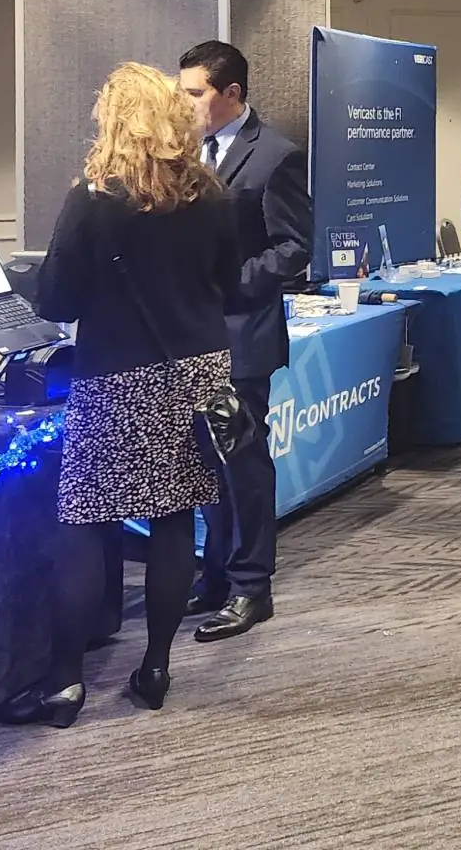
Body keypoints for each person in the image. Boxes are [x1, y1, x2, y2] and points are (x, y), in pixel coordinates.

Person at [0, 63, 238, 729]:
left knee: (84, 521)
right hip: (196, 373)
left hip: (117, 377)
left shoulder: (95, 197)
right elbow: (231, 285)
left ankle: (64, 684)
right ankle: (155, 668)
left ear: (115, 124)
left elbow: (57, 300)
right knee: (174, 519)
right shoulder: (211, 193)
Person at [178, 41, 312, 642]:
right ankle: (215, 575)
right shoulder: (185, 151)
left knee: (244, 465)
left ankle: (252, 587)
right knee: (206, 465)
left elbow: (294, 248)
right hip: (193, 337)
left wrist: (228, 285)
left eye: (195, 94)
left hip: (243, 336)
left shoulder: (276, 155)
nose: (184, 105)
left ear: (231, 93)